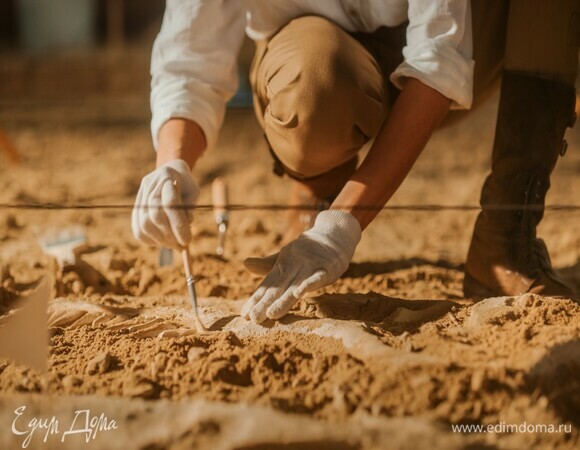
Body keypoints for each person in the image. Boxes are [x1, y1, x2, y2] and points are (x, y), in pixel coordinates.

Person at [132, 1, 577, 324]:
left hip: (464, 50)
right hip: (314, 56)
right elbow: (190, 56)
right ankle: (318, 181)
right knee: (312, 92)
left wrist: (341, 226)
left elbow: (440, 58)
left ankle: (506, 231)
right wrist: (172, 163)